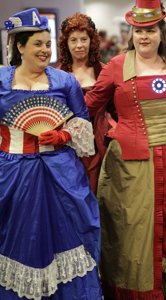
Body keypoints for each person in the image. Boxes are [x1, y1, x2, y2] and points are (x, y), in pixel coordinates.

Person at [85, 0, 166, 299]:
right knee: (135, 227)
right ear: (131, 33)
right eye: (139, 31)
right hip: (131, 163)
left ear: (161, 32)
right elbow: (90, 106)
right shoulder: (116, 66)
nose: (144, 36)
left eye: (150, 30)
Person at [0, 8, 101, 299]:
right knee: (18, 237)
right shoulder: (2, 81)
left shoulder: (64, 81)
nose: (45, 50)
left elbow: (81, 124)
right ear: (20, 47)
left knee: (71, 230)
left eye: (48, 44)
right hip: (13, 171)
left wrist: (63, 134)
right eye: (38, 44)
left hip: (60, 171)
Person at [58, 12, 113, 194]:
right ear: (66, 44)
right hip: (68, 142)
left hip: (102, 139)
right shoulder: (57, 76)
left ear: (92, 41)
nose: (79, 45)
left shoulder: (105, 71)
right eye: (73, 40)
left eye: (84, 39)